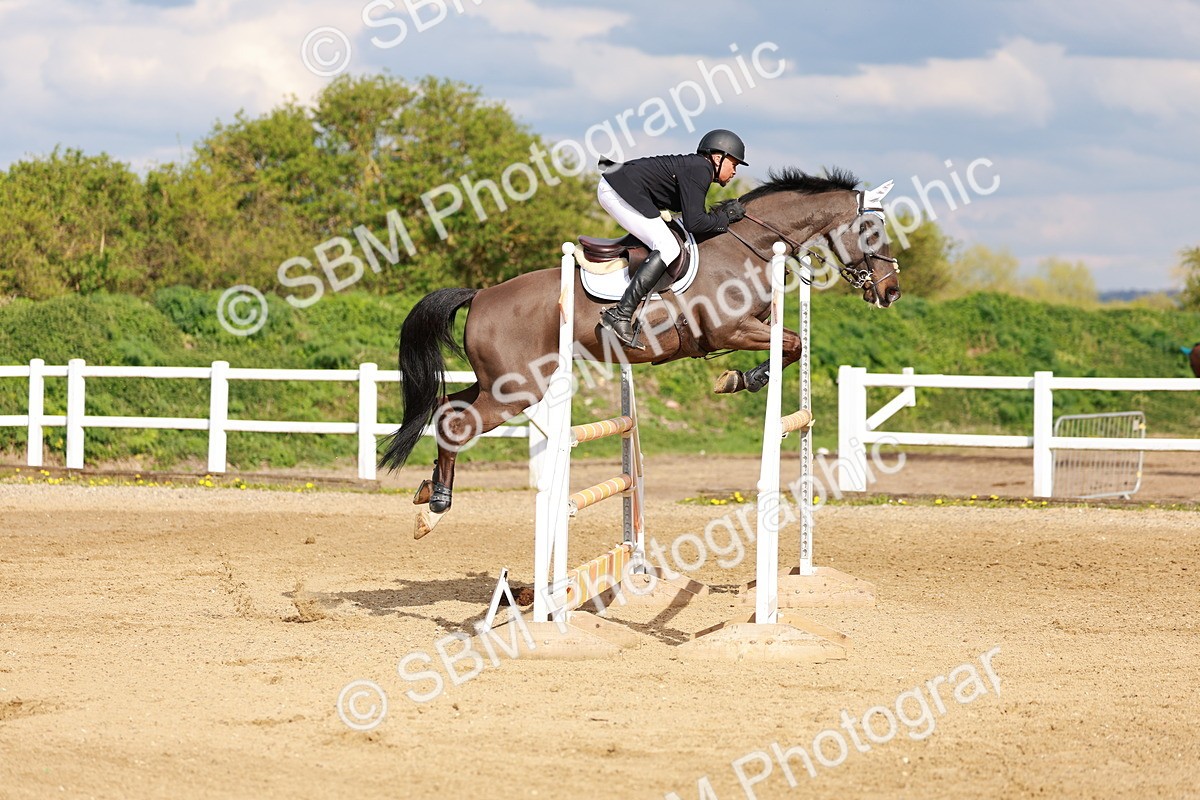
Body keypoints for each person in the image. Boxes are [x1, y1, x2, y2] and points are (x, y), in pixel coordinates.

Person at [596, 129, 749, 349]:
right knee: (668, 247)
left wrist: (720, 218)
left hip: (621, 187)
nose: (734, 171)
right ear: (718, 158)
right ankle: (620, 313)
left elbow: (691, 218)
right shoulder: (701, 169)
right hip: (617, 190)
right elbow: (695, 223)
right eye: (733, 164)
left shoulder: (698, 168)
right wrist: (726, 217)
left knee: (669, 239)